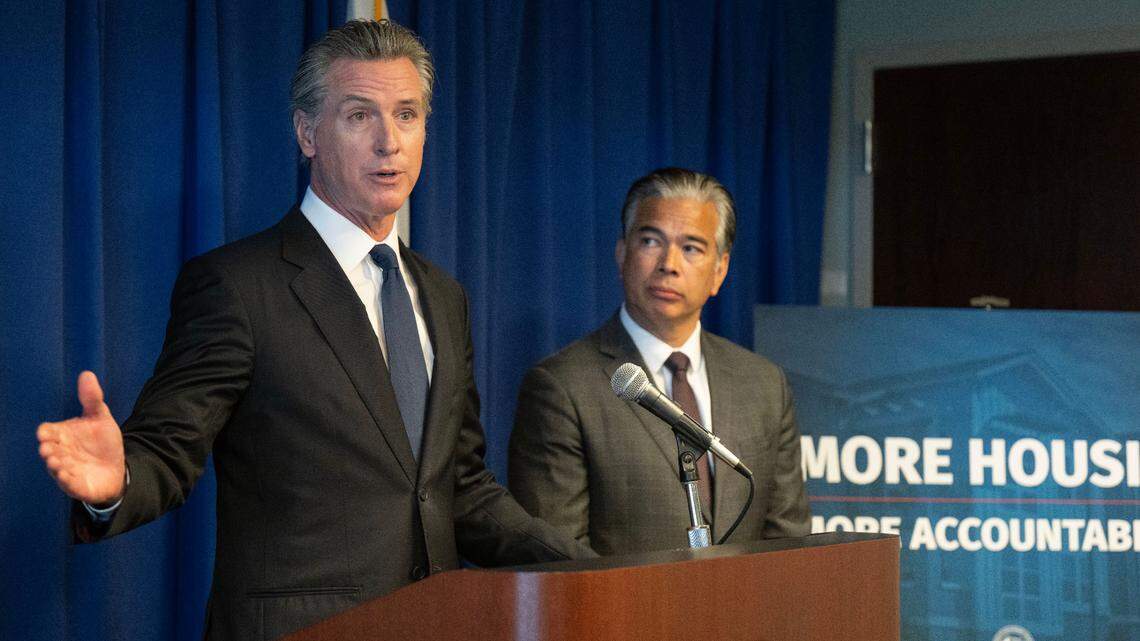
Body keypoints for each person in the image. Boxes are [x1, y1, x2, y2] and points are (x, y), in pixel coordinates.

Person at [36, 20, 593, 640]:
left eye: (407, 115)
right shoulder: (239, 286)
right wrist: (116, 485)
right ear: (308, 134)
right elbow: (167, 450)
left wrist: (595, 573)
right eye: (360, 116)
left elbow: (454, 486)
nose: (390, 142)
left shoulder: (443, 296)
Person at [508, 167, 810, 555]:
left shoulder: (765, 385)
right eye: (651, 241)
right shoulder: (562, 388)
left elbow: (789, 546)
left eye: (691, 248)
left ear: (719, 271)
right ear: (622, 254)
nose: (669, 263)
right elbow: (559, 565)